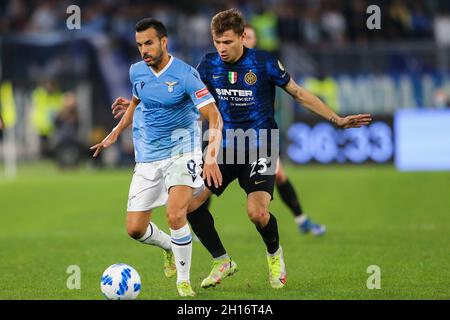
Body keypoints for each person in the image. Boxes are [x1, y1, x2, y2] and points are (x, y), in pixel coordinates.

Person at [112, 9, 371, 290]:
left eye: (227, 42)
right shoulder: (208, 65)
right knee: (189, 206)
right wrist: (143, 103)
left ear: (242, 37)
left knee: (257, 213)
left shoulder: (264, 63)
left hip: (261, 145)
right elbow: (185, 96)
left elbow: (298, 93)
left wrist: (336, 119)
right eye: (217, 42)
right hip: (223, 146)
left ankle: (274, 254)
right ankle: (222, 259)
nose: (221, 48)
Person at [91, 18, 223, 297]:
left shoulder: (186, 74)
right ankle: (167, 246)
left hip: (182, 151)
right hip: (148, 156)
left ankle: (183, 282)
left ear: (164, 42)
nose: (144, 50)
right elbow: (139, 100)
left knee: (176, 214)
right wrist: (116, 132)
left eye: (149, 43)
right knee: (135, 229)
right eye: (139, 45)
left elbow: (213, 115)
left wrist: (210, 158)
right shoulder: (136, 71)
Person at [244, 24, 326, 235]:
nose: (246, 39)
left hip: (260, 139)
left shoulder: (263, 64)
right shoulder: (222, 67)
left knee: (279, 175)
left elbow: (290, 95)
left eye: (250, 36)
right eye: (242, 35)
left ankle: (301, 220)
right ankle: (196, 226)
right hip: (230, 136)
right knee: (208, 180)